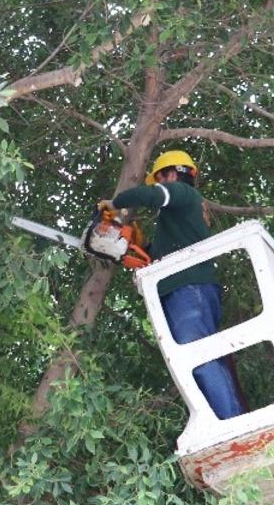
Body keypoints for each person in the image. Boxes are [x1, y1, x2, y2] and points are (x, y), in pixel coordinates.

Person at [99, 150, 243, 419]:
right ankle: (230, 417)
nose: (156, 185)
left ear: (173, 175)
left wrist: (115, 204)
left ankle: (232, 423)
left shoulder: (183, 194)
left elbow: (151, 196)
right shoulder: (180, 217)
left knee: (197, 355)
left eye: (159, 179)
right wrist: (139, 244)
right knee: (202, 357)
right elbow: (159, 255)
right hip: (190, 289)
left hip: (189, 290)